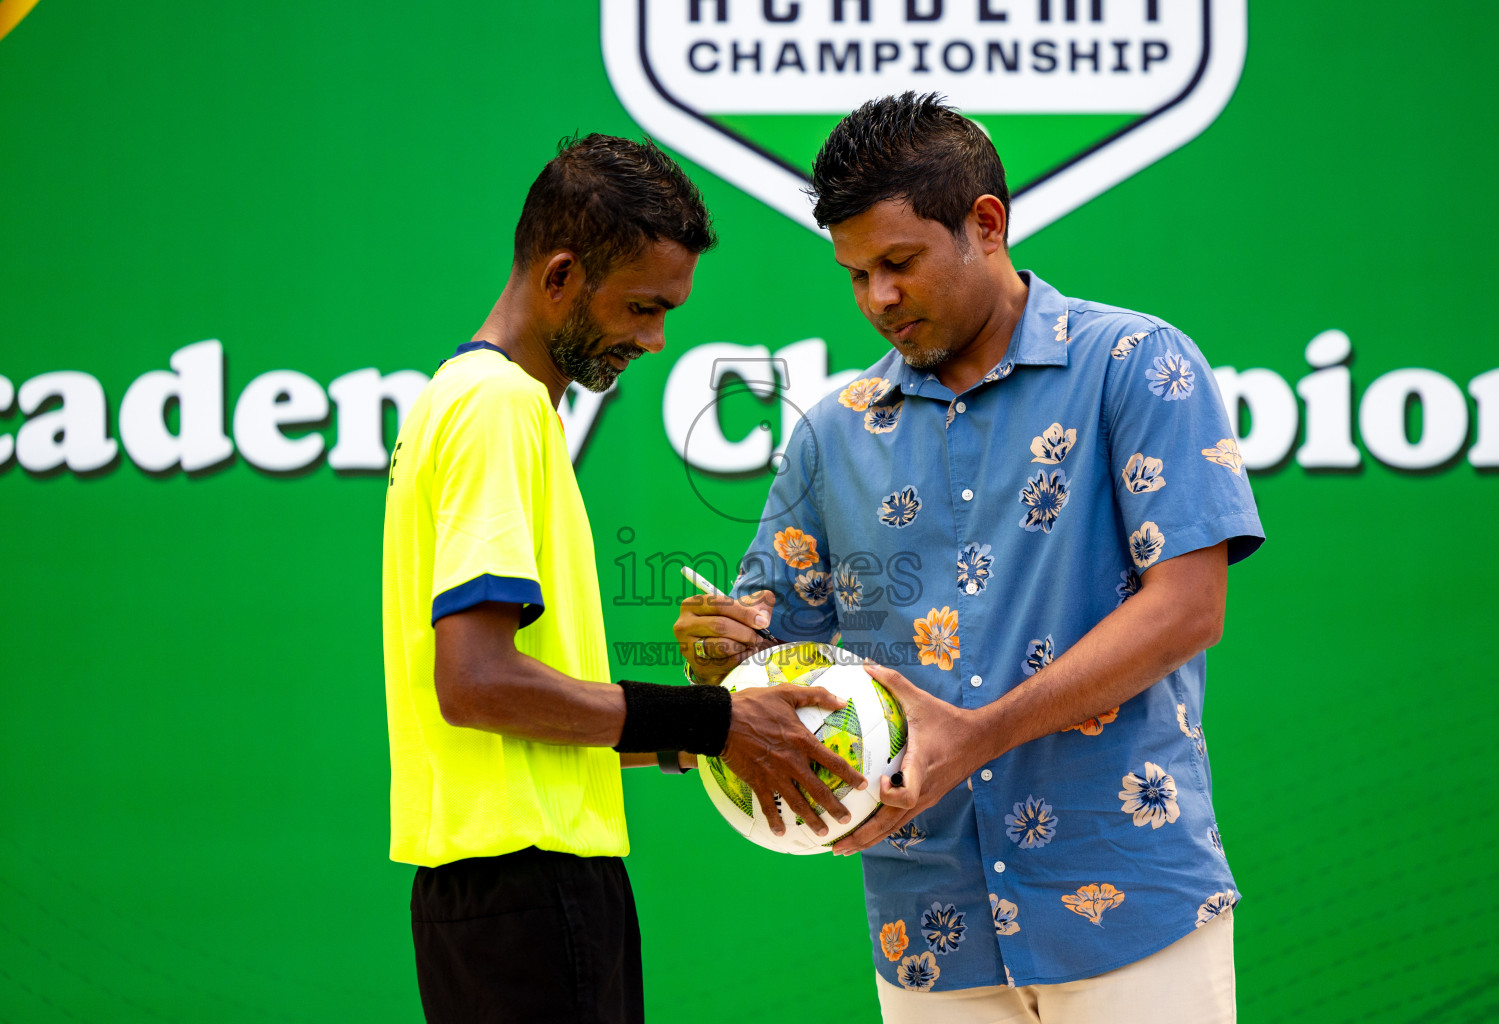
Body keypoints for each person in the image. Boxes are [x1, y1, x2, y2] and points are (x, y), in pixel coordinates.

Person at [673, 93, 1263, 1023]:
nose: (878, 299)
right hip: (925, 928)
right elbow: (776, 658)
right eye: (856, 274)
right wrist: (726, 660)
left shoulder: (1139, 365)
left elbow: (1189, 609)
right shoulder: (832, 433)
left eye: (898, 263)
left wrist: (976, 735)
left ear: (986, 223)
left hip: (1131, 901)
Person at [382, 134, 864, 1024]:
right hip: (533, 901)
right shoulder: (499, 408)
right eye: (642, 307)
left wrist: (709, 741)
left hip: (499, 900)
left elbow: (524, 725)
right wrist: (715, 720)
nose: (655, 338)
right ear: (560, 275)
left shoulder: (469, 400)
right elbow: (478, 684)